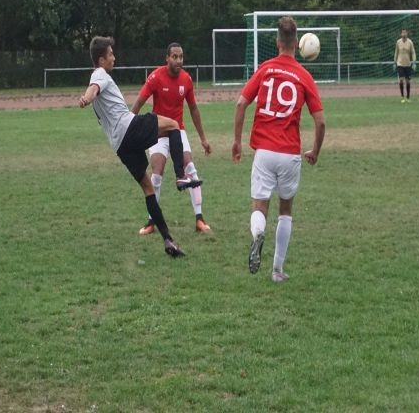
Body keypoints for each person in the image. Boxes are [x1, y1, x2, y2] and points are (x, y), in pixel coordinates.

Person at [79, 36, 202, 259]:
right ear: (101, 59)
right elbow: (93, 89)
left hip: (120, 145)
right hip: (130, 127)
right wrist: (86, 98)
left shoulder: (99, 75)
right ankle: (181, 176)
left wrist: (88, 98)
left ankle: (168, 240)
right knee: (174, 125)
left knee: (148, 188)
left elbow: (94, 92)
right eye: (110, 55)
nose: (114, 58)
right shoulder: (100, 74)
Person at [232, 16, 326, 282]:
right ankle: (277, 271)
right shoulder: (304, 76)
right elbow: (320, 122)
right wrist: (315, 151)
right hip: (289, 152)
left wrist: (237, 141)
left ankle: (258, 234)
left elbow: (240, 104)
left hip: (264, 151)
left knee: (259, 206)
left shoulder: (266, 69)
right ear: (296, 43)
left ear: (277, 42)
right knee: (285, 210)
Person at [132, 43, 212, 235]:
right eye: (175, 57)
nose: (178, 61)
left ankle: (199, 220)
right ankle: (152, 221)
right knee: (156, 173)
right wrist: (128, 126)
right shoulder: (156, 77)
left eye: (181, 57)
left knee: (191, 169)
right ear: (167, 58)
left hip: (178, 132)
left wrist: (202, 138)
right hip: (158, 132)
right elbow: (140, 101)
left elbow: (193, 109)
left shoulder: (187, 79)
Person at [394, 28, 417, 103]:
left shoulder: (410, 42)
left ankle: (408, 97)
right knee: (401, 80)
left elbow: (413, 52)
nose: (403, 34)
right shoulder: (398, 42)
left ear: (407, 33)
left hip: (407, 64)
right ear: (401, 34)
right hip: (400, 63)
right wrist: (394, 63)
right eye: (402, 32)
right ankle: (402, 97)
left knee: (408, 81)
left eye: (405, 32)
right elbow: (396, 53)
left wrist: (414, 62)